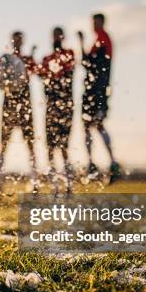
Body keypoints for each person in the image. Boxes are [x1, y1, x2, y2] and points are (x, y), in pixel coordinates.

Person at [0, 31, 39, 202]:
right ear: (12, 41)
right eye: (16, 39)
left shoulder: (27, 59)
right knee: (3, 145)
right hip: (9, 104)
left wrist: (32, 58)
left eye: (20, 39)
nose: (18, 42)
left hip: (25, 104)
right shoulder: (6, 61)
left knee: (31, 145)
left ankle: (35, 184)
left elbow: (35, 72)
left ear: (23, 41)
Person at [77, 13, 120, 181]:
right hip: (93, 90)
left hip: (98, 91)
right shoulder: (97, 40)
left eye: (97, 22)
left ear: (102, 22)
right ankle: (93, 164)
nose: (94, 24)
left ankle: (111, 163)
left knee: (97, 124)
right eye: (93, 22)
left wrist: (81, 44)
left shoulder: (104, 39)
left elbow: (90, 62)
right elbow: (87, 62)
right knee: (88, 126)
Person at [39, 27, 75, 194]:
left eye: (59, 35)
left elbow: (68, 74)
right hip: (51, 106)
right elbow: (42, 75)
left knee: (64, 147)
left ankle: (68, 184)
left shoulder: (69, 54)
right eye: (54, 35)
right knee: (51, 147)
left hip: (65, 106)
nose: (56, 38)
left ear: (63, 36)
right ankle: (54, 186)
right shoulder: (47, 58)